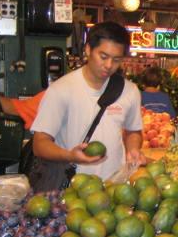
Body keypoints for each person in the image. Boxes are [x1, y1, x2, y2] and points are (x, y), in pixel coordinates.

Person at [31, 22, 146, 180]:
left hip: (114, 188)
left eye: (117, 60)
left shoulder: (130, 91)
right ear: (88, 49)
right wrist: (70, 155)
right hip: (72, 188)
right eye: (103, 56)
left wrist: (133, 149)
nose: (109, 65)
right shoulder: (61, 90)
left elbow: (133, 131)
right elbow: (39, 144)